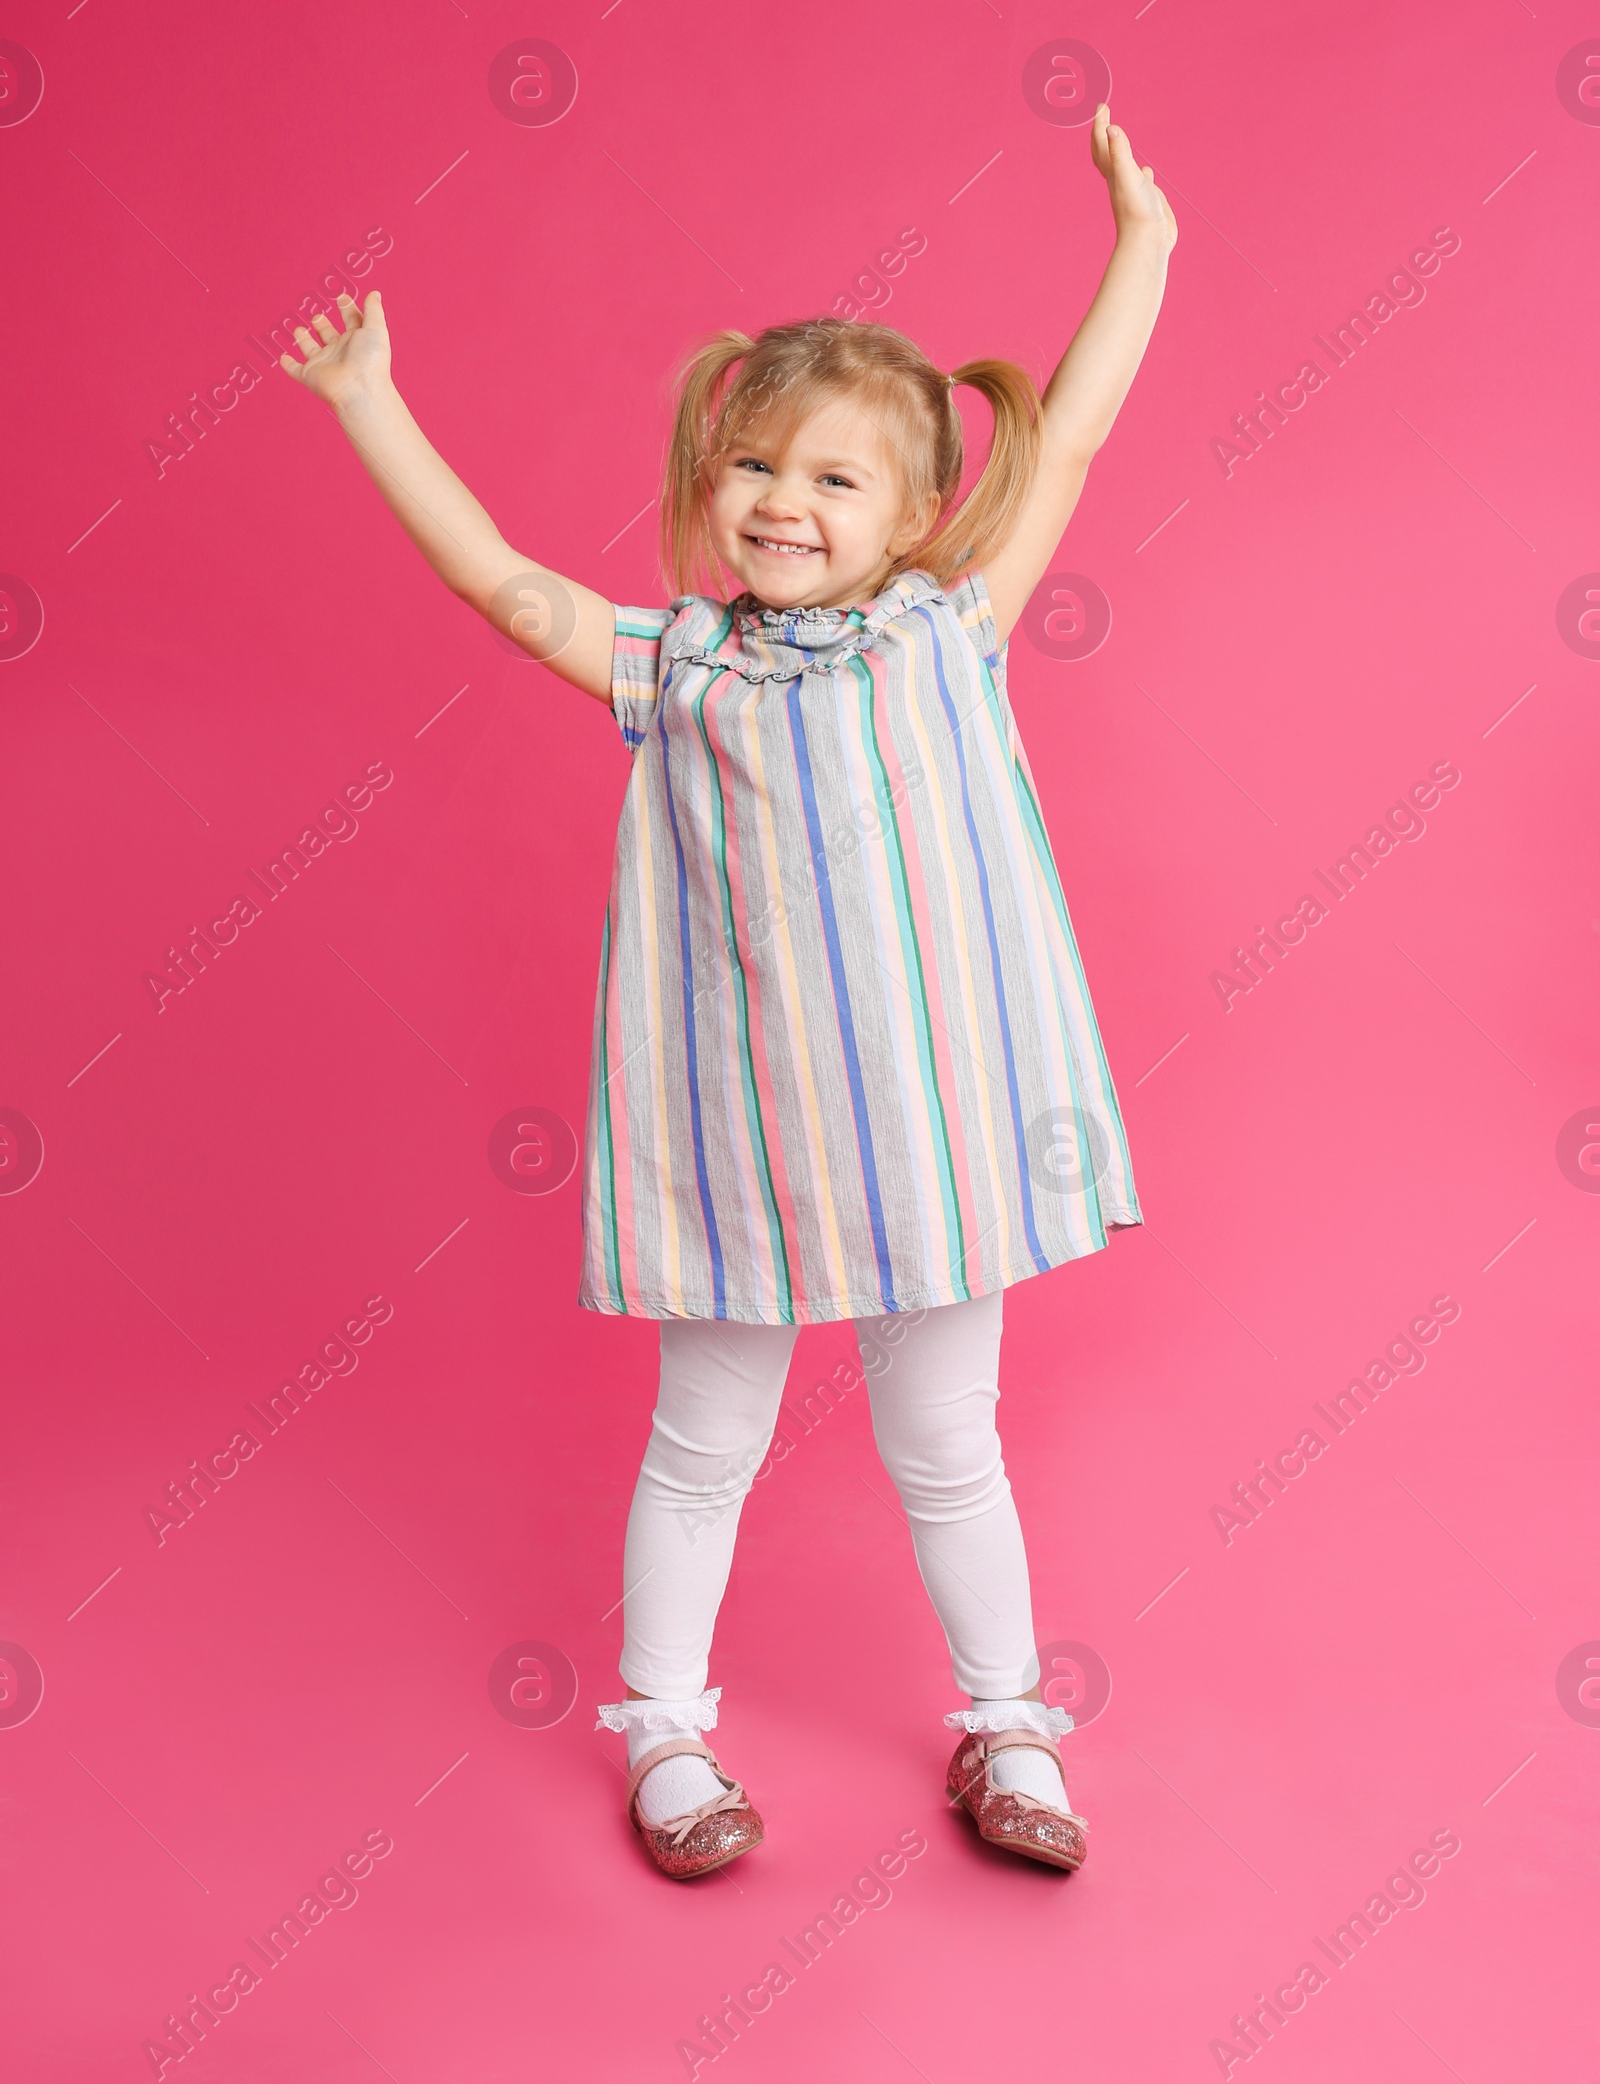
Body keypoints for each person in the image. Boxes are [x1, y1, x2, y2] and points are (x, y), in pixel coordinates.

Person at [282, 102, 1177, 1880]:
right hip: (741, 1146)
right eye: (757, 467)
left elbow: (1064, 443)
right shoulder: (676, 668)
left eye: (837, 479)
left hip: (935, 1140)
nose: (785, 502)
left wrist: (1140, 244)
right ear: (712, 484)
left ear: (919, 511)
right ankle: (666, 1732)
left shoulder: (951, 629)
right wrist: (373, 403)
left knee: (949, 1444)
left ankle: (1008, 1718)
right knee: (704, 1444)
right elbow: (502, 586)